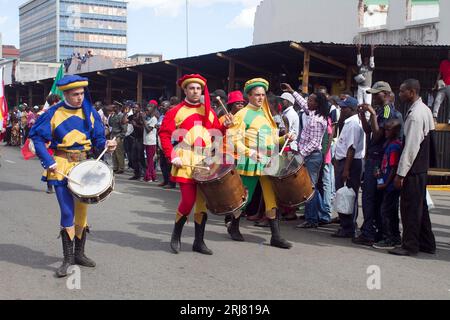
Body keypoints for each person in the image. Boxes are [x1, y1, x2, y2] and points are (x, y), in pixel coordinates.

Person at [29, 75, 117, 277]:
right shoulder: (53, 113)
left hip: (85, 166)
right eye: (75, 94)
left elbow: (98, 140)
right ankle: (67, 259)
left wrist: (107, 146)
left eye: (81, 93)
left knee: (82, 213)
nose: (80, 97)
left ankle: (79, 253)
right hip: (60, 165)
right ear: (66, 94)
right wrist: (48, 160)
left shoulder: (90, 112)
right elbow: (36, 138)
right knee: (67, 211)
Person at [159, 74, 233, 255]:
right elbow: (164, 134)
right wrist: (171, 155)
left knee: (202, 203)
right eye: (191, 88)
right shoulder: (175, 111)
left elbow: (216, 132)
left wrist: (227, 126)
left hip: (205, 160)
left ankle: (198, 242)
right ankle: (176, 235)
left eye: (198, 88)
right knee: (188, 201)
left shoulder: (208, 111)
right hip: (185, 159)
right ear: (184, 90)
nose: (195, 91)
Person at [226, 78, 294, 249]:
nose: (260, 98)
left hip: (268, 162)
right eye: (257, 95)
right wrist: (250, 153)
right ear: (249, 95)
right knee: (245, 199)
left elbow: (271, 140)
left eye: (263, 95)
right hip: (248, 163)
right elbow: (233, 140)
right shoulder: (241, 114)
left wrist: (283, 138)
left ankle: (276, 236)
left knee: (272, 199)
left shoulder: (266, 114)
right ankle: (233, 226)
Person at [390, 79, 436, 256]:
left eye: (402, 92)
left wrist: (400, 174)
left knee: (410, 208)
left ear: (411, 92)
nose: (400, 94)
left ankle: (410, 245)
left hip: (413, 169)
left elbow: (410, 147)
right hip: (421, 168)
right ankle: (427, 243)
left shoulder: (416, 115)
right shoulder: (424, 109)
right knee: (420, 207)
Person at [354, 81, 403, 246]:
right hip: (375, 158)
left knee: (370, 197)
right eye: (373, 93)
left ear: (387, 94)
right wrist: (362, 115)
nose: (374, 96)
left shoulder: (387, 110)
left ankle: (369, 232)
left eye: (377, 93)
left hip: (378, 160)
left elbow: (376, 136)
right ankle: (374, 230)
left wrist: (373, 115)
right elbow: (369, 131)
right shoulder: (382, 110)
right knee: (373, 197)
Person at [282, 83, 330, 228]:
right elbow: (303, 105)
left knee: (309, 188)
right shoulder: (314, 113)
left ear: (317, 104)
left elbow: (315, 143)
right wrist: (293, 92)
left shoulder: (316, 120)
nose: (308, 102)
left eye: (311, 100)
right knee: (312, 187)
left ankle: (312, 219)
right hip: (311, 155)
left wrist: (301, 154)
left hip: (311, 156)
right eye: (308, 100)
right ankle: (322, 215)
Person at [332, 97, 365, 238]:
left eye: (344, 108)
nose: (341, 109)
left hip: (349, 163)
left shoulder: (352, 124)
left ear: (351, 109)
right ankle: (346, 225)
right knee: (344, 194)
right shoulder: (348, 122)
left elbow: (351, 148)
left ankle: (348, 227)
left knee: (347, 195)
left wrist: (346, 169)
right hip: (344, 161)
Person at [372, 119, 402, 250]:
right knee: (390, 211)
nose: (385, 132)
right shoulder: (387, 144)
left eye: (388, 129)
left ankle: (389, 237)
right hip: (384, 182)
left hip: (390, 187)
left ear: (395, 131)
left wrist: (386, 184)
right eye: (385, 129)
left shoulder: (395, 146)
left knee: (386, 212)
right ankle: (395, 237)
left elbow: (394, 167)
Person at [156, 101, 176, 189]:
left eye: (163, 106)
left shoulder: (173, 117)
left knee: (169, 165)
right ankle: (165, 180)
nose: (161, 107)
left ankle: (172, 183)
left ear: (168, 107)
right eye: (161, 106)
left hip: (170, 143)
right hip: (161, 142)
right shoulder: (161, 116)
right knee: (163, 163)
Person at [432, 51, 450, 124]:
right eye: (449, 54)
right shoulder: (444, 62)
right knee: (437, 100)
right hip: (443, 85)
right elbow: (440, 74)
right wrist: (435, 85)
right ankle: (434, 117)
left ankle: (449, 119)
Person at [109, 103, 127, 174]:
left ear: (119, 107)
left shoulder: (121, 116)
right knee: (113, 152)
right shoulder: (114, 115)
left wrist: (121, 136)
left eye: (115, 107)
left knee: (119, 152)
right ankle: (115, 167)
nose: (114, 108)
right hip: (113, 135)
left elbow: (124, 127)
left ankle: (121, 168)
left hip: (118, 135)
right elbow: (110, 124)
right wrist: (110, 116)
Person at [143, 102, 158, 182]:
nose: (148, 109)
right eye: (147, 107)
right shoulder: (149, 119)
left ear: (153, 109)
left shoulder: (154, 119)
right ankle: (153, 176)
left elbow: (148, 130)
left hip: (151, 142)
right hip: (146, 141)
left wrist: (143, 120)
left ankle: (148, 176)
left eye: (150, 107)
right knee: (149, 160)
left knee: (150, 160)